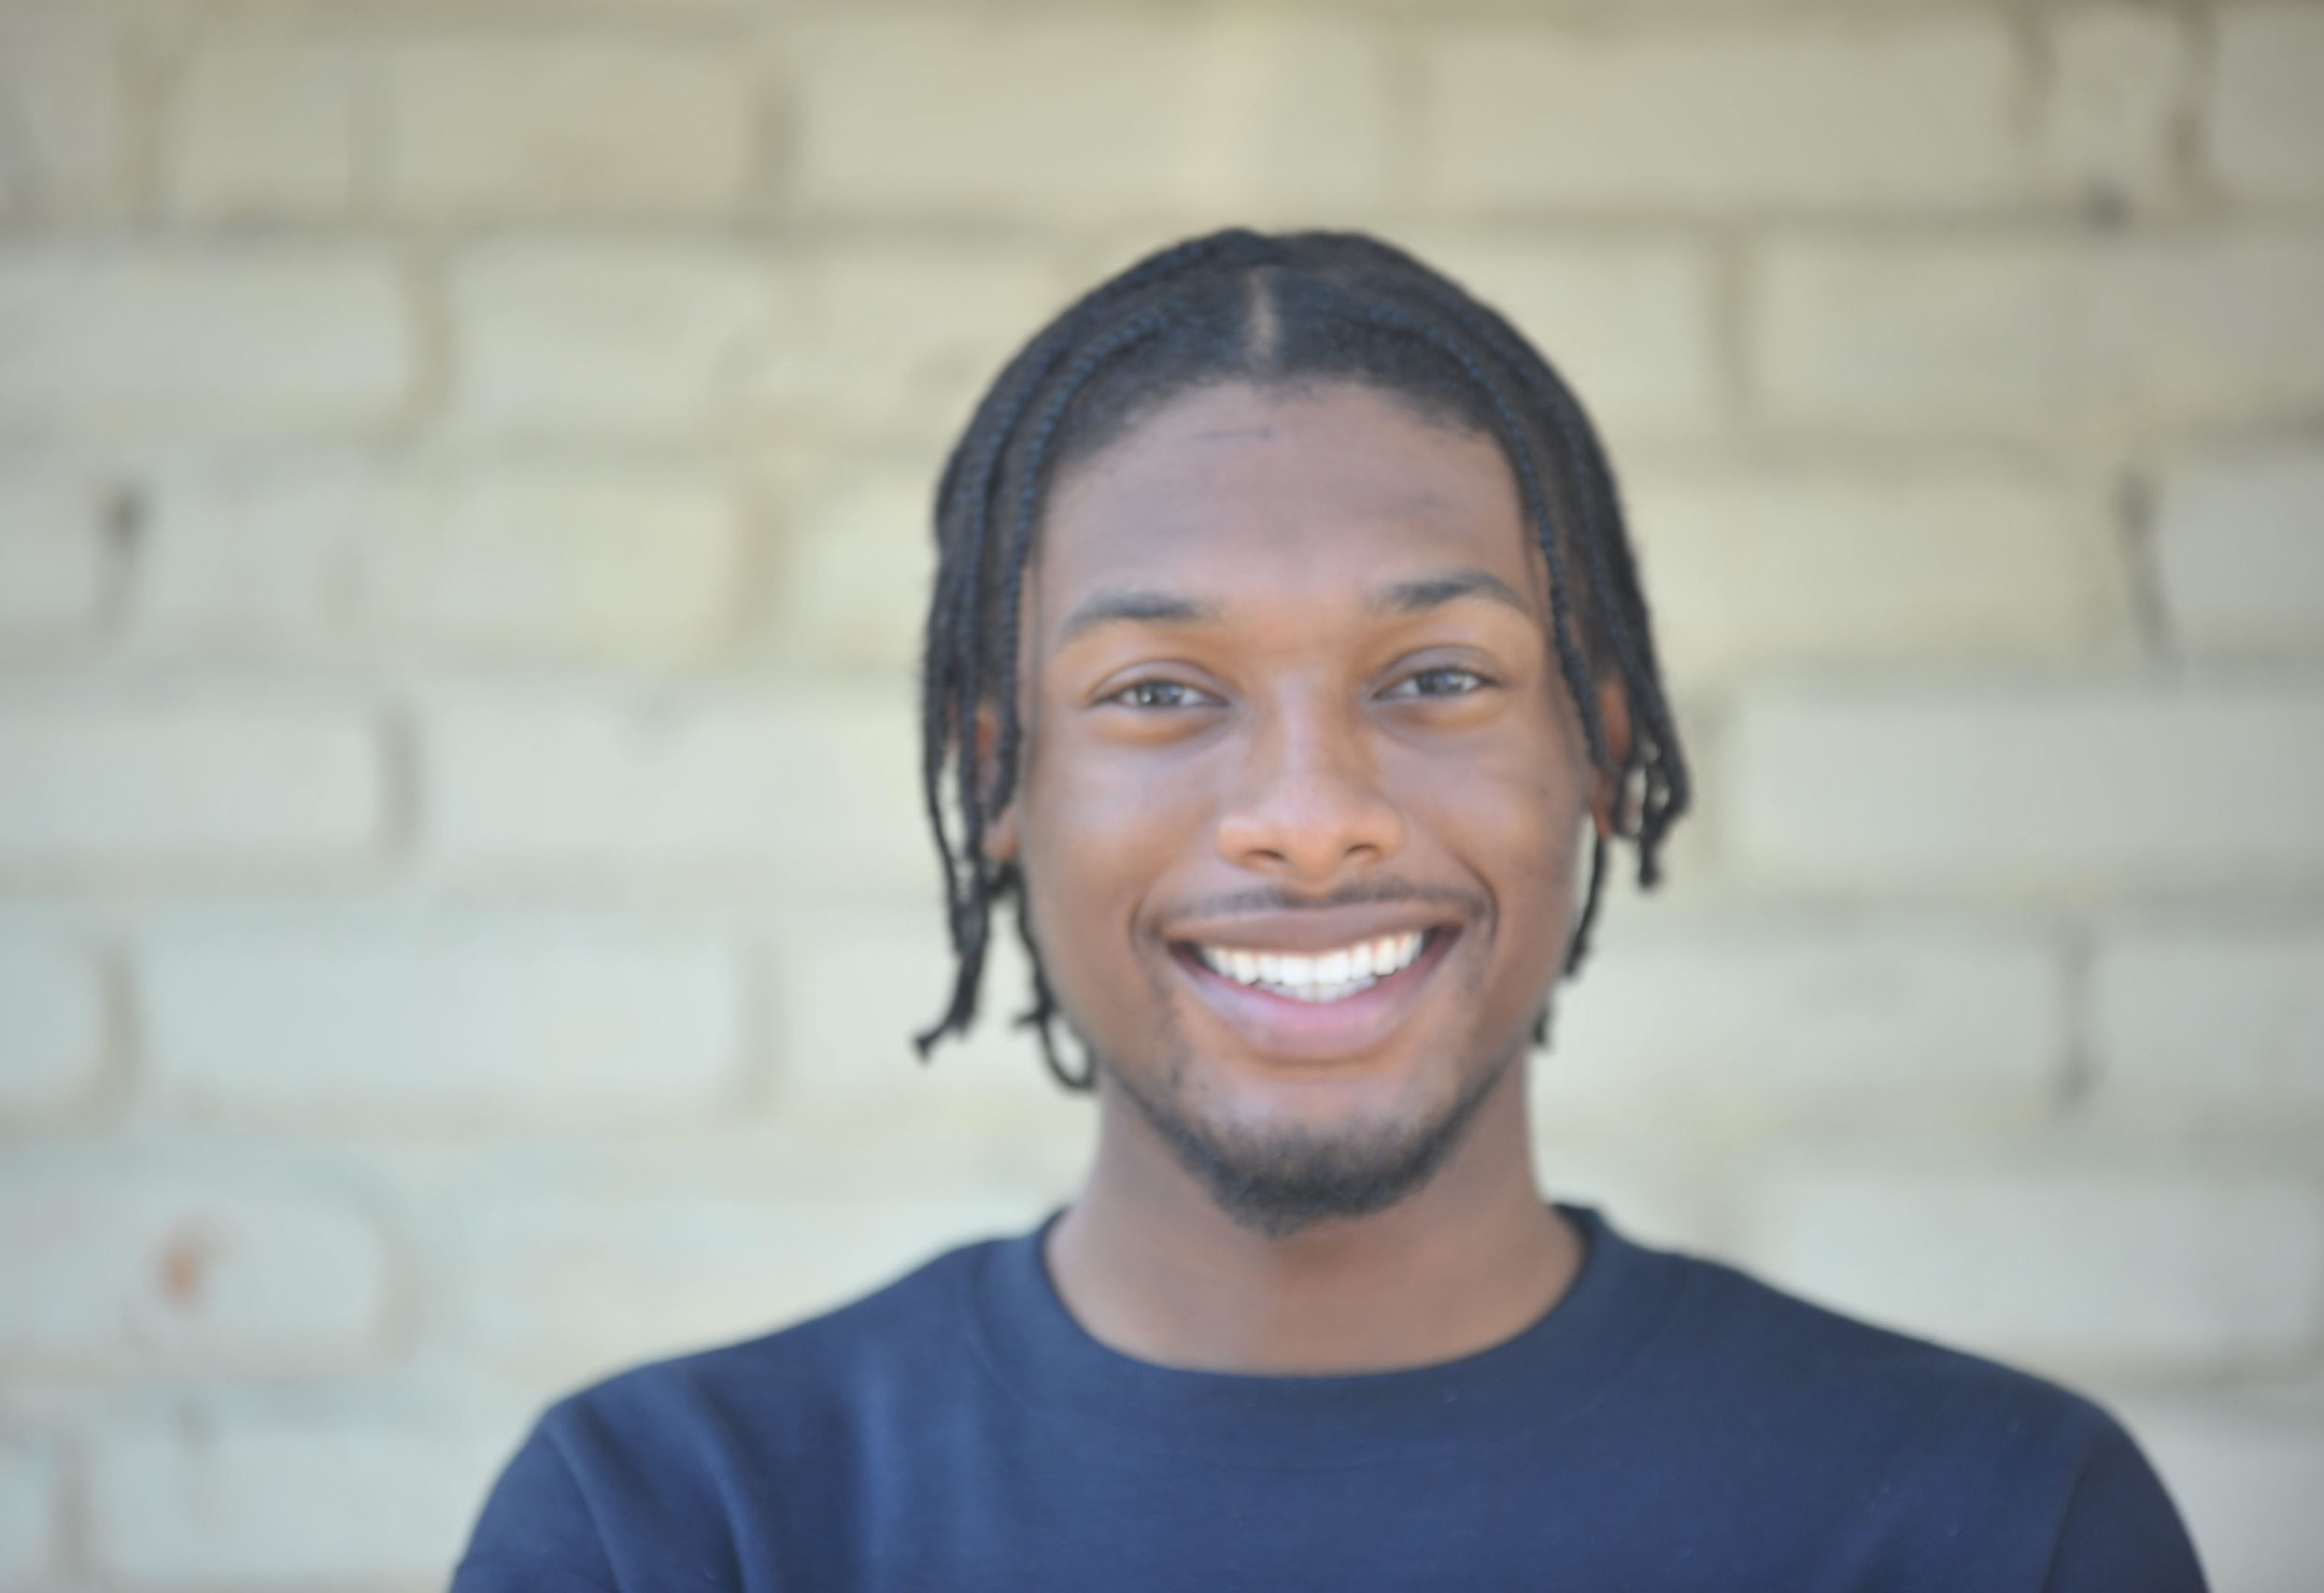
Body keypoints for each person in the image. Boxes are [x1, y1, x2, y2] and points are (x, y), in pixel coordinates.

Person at [454, 230, 2205, 1591]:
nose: (1307, 817)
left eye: (1436, 673)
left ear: (1596, 750)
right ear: (1000, 783)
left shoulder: (1983, 1524)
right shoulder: (680, 1526)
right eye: (1159, 691)